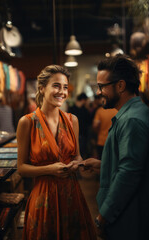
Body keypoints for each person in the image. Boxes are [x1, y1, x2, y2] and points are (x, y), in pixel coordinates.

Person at [83, 55, 149, 239]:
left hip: (134, 221)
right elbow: (137, 163)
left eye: (102, 86)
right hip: (135, 217)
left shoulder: (131, 120)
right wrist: (103, 164)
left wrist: (102, 217)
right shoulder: (135, 113)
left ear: (120, 86)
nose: (99, 92)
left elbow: (128, 175)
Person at [16, 65, 97, 240]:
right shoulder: (27, 122)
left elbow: (77, 155)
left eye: (65, 87)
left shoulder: (72, 120)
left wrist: (78, 163)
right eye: (56, 86)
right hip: (43, 198)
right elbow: (21, 168)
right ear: (42, 88)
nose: (61, 91)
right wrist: (49, 169)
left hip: (71, 194)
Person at [68, 93, 92, 157]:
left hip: (76, 134)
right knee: (80, 152)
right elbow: (89, 122)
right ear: (83, 100)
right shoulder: (85, 110)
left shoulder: (71, 109)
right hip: (81, 134)